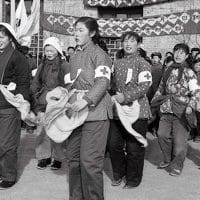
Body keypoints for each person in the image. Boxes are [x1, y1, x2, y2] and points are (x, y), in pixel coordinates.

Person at [66, 16, 112, 200]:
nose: (76, 34)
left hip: (96, 113)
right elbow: (70, 82)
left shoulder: (100, 55)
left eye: (80, 30)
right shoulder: (75, 56)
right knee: (74, 160)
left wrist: (86, 99)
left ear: (92, 33)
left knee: (90, 162)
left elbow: (103, 82)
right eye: (75, 30)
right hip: (76, 112)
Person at [107, 31, 152, 189]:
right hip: (118, 112)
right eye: (125, 41)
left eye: (132, 41)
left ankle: (133, 179)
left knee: (134, 148)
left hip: (138, 111)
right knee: (113, 145)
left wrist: (124, 97)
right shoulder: (117, 62)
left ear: (138, 44)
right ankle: (119, 173)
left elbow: (144, 87)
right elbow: (110, 83)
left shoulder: (143, 63)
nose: (128, 44)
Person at [152, 43, 200, 176]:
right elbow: (161, 87)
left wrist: (191, 105)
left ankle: (177, 165)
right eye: (176, 52)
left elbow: (196, 91)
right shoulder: (168, 69)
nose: (178, 55)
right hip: (166, 108)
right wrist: (154, 101)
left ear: (186, 56)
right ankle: (168, 159)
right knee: (161, 135)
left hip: (182, 111)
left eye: (182, 53)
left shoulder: (189, 72)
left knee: (179, 142)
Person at [0, 23, 30, 189]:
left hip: (9, 106)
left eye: (2, 37)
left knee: (7, 143)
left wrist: (21, 98)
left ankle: (9, 175)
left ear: (10, 37)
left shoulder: (18, 57)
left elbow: (24, 83)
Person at [31, 37, 68, 170]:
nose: (49, 53)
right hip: (43, 101)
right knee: (42, 130)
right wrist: (33, 97)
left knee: (57, 131)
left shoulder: (64, 65)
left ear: (57, 51)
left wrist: (63, 97)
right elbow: (36, 82)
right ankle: (43, 157)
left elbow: (69, 84)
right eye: (47, 50)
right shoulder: (42, 65)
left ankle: (58, 157)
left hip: (58, 102)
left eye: (51, 50)